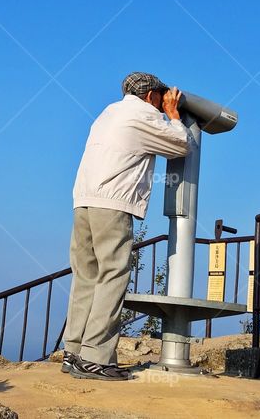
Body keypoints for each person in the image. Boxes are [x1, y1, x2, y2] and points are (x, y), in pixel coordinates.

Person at [62, 72, 192, 381]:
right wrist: (174, 116)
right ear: (150, 96)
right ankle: (95, 358)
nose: (164, 102)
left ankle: (74, 352)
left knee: (86, 277)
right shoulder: (144, 115)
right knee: (112, 277)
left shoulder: (108, 113)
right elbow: (181, 144)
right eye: (162, 96)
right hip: (112, 205)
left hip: (83, 202)